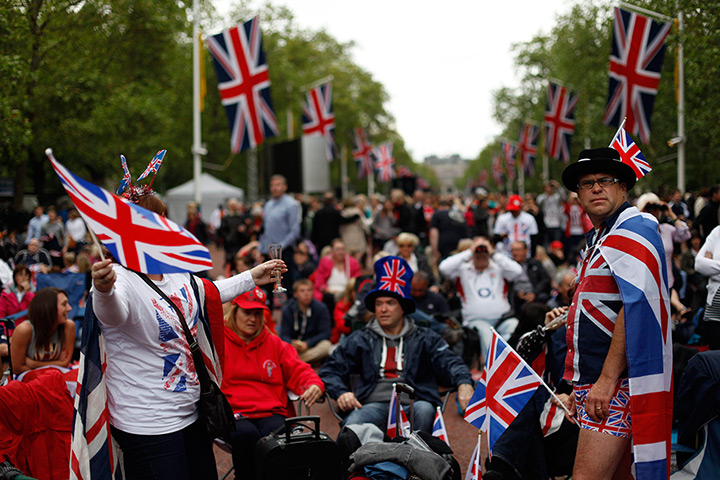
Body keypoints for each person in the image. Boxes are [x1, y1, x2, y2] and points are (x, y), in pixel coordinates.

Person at [89, 192, 286, 479]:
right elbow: (111, 313)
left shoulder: (175, 273)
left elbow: (208, 293)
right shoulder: (121, 279)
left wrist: (253, 277)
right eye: (152, 221)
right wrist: (103, 289)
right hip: (148, 424)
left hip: (192, 414)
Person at [559, 148, 672, 479]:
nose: (596, 188)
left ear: (624, 187)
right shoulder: (602, 235)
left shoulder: (634, 228)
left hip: (615, 382)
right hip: (594, 377)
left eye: (605, 180)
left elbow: (634, 307)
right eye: (587, 183)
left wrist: (607, 380)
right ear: (578, 195)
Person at [319, 256, 474, 434]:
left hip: (415, 402)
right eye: (378, 304)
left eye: (390, 303)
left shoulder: (425, 337)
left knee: (425, 411)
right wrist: (341, 392)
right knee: (352, 426)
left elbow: (451, 362)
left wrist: (464, 383)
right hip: (371, 404)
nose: (383, 309)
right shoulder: (361, 338)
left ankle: (418, 459)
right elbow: (330, 370)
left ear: (403, 308)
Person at [221, 286, 324, 479]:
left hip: (270, 411)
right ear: (234, 311)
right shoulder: (218, 342)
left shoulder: (275, 344)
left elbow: (299, 370)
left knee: (276, 438)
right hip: (233, 413)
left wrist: (314, 385)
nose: (253, 319)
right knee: (246, 436)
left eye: (258, 313)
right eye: (247, 312)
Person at [438, 236, 523, 360]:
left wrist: (493, 252)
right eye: (477, 255)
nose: (481, 257)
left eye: (484, 254)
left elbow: (517, 271)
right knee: (488, 337)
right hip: (476, 320)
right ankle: (493, 372)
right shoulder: (463, 270)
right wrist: (470, 250)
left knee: (515, 328)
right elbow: (443, 267)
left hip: (503, 318)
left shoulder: (498, 267)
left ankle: (512, 366)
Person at [9, 287, 75, 375]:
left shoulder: (68, 326)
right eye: (64, 304)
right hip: (28, 382)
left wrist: (33, 363)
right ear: (49, 308)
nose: (69, 308)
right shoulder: (24, 330)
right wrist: (55, 364)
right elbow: (17, 368)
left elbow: (64, 363)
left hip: (55, 378)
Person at [258, 174, 301, 290]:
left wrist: (279, 247)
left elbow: (295, 231)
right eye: (272, 185)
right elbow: (265, 229)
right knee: (266, 286)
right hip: (268, 252)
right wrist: (260, 249)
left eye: (278, 185)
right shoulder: (268, 204)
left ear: (285, 187)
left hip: (284, 252)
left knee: (286, 285)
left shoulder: (291, 204)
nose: (275, 188)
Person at [280, 279, 333, 364]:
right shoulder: (288, 309)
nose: (306, 294)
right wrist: (292, 343)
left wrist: (308, 343)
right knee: (280, 346)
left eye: (309, 290)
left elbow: (326, 333)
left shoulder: (321, 308)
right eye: (302, 291)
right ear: (295, 294)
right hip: (295, 347)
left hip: (312, 346)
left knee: (326, 345)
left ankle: (295, 362)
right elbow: (284, 334)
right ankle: (301, 360)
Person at [312, 238, 360, 312]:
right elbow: (319, 281)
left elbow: (356, 280)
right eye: (337, 249)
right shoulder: (325, 262)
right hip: (329, 294)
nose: (340, 252)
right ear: (331, 251)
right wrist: (326, 289)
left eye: (342, 249)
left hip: (347, 293)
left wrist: (348, 291)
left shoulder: (352, 263)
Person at [509, 240, 552, 313]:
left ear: (525, 251)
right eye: (513, 250)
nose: (515, 253)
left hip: (534, 293)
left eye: (518, 250)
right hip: (516, 296)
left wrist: (534, 293)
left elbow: (546, 280)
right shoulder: (508, 266)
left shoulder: (534, 263)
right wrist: (517, 293)